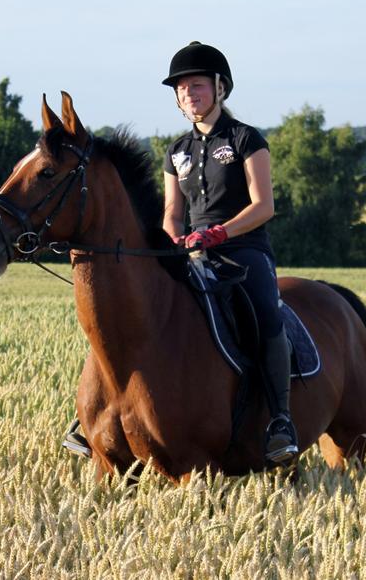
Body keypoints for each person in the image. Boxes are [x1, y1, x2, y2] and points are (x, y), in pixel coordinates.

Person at [63, 41, 299, 466]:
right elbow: (172, 212)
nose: (189, 93)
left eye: (197, 85)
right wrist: (174, 240)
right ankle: (97, 415)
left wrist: (219, 233)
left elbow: (264, 205)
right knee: (130, 313)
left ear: (219, 88)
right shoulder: (176, 152)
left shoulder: (247, 139)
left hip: (243, 252)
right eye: (182, 88)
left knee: (264, 313)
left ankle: (280, 419)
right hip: (191, 253)